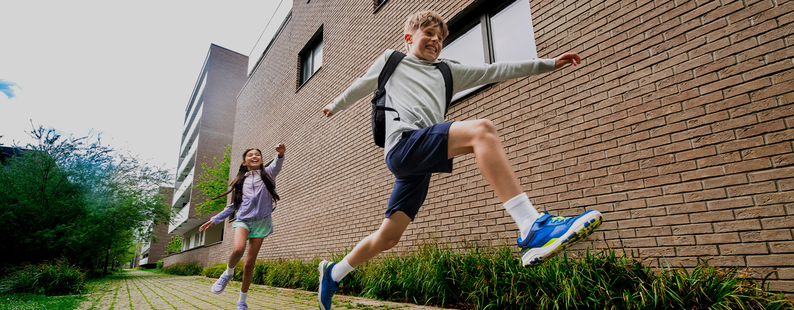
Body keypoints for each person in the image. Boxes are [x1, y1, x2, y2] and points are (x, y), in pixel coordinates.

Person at [317, 10, 603, 310]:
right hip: (402, 146)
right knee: (482, 131)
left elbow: (496, 70)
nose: (436, 41)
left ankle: (334, 273)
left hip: (420, 157)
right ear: (409, 38)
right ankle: (531, 225)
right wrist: (335, 106)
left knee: (389, 236)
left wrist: (547, 64)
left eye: (441, 38)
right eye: (429, 34)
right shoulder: (393, 60)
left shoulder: (448, 71)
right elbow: (363, 83)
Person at [199, 144, 286, 310]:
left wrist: (280, 154)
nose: (254, 156)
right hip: (243, 220)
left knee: (248, 264)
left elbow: (277, 165)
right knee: (238, 249)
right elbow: (233, 206)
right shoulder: (241, 180)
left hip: (262, 222)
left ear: (261, 160)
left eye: (257, 155)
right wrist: (215, 219)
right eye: (250, 155)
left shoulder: (268, 173)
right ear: (244, 162)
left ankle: (242, 301)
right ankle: (228, 273)